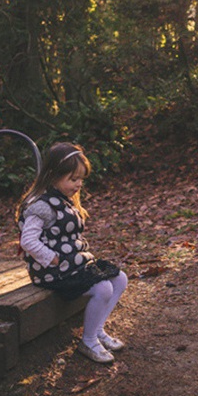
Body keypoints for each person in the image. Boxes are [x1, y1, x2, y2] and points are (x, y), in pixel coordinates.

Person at [17, 142, 127, 364]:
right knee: (103, 287)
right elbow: (27, 240)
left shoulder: (63, 201)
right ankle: (87, 341)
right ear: (53, 175)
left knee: (120, 278)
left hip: (72, 265)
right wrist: (51, 257)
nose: (78, 184)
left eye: (81, 179)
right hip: (52, 272)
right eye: (73, 179)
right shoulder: (41, 206)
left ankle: (97, 331)